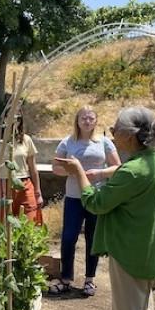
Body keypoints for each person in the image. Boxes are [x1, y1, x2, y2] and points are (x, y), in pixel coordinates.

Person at [55, 106, 155, 310]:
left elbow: (94, 202)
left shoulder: (132, 171)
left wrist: (78, 170)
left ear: (131, 136)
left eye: (115, 129)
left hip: (129, 252)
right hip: (145, 251)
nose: (112, 133)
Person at [51, 106, 121, 296]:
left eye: (91, 118)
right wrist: (72, 172)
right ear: (77, 120)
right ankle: (66, 279)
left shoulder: (104, 142)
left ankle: (90, 280)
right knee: (68, 238)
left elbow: (117, 167)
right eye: (84, 118)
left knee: (93, 239)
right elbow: (55, 167)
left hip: (97, 197)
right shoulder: (68, 142)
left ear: (96, 121)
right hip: (74, 197)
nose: (87, 121)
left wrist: (100, 173)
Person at [0, 113, 43, 223]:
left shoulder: (26, 140)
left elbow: (33, 168)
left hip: (24, 183)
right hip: (2, 184)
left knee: (30, 220)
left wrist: (37, 192)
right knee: (4, 222)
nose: (14, 121)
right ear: (4, 119)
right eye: (10, 117)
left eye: (18, 118)